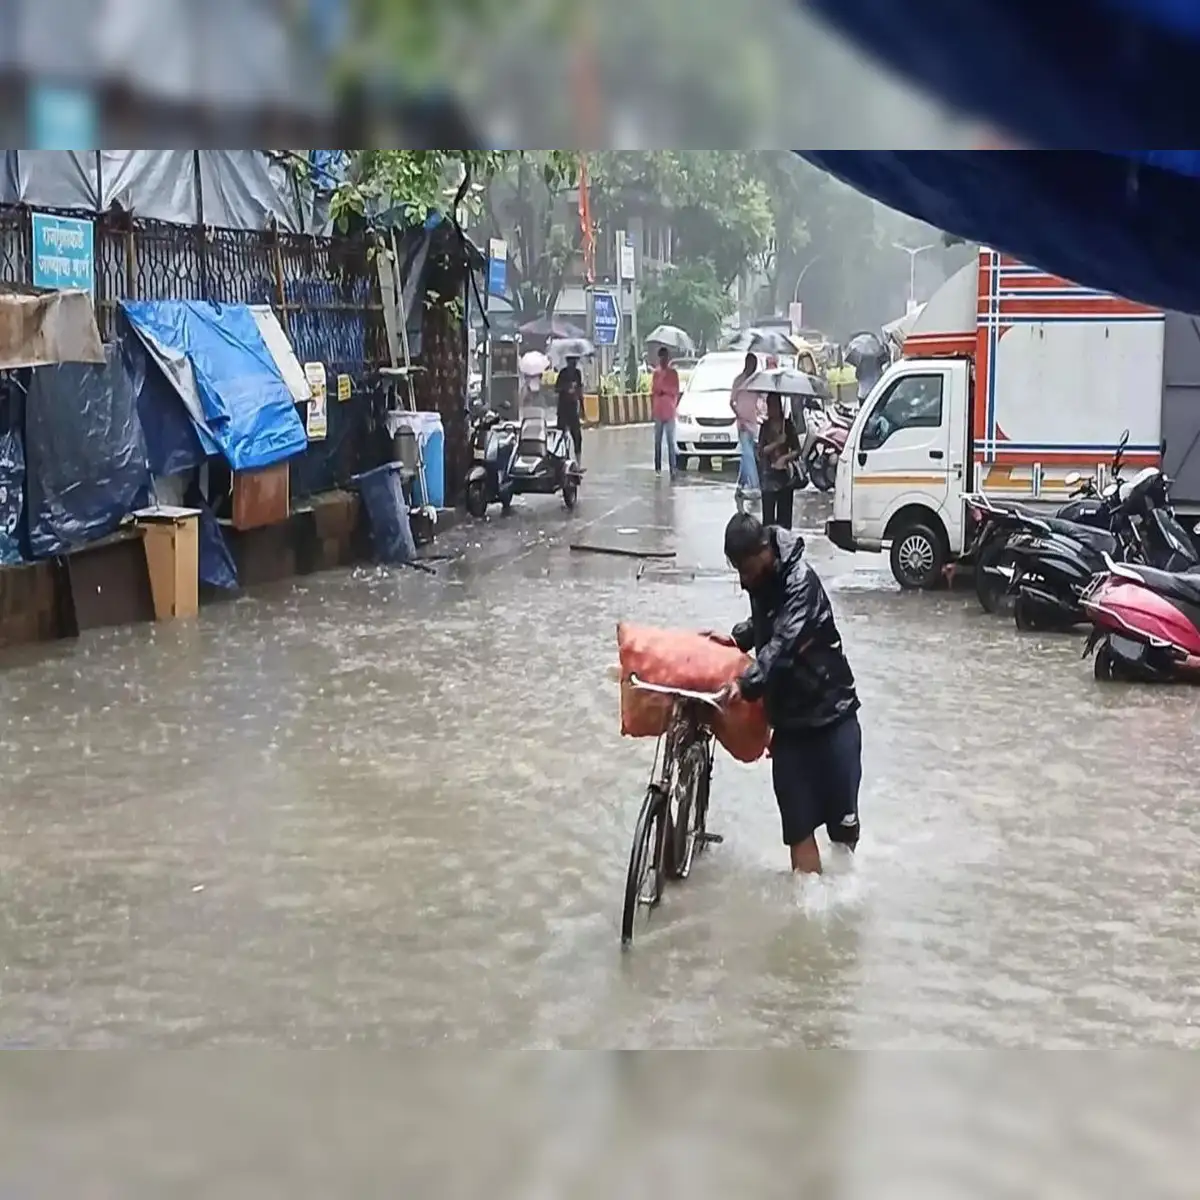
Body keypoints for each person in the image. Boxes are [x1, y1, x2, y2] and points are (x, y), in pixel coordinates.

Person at [717, 512, 862, 875]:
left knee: (843, 833)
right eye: (738, 571)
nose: (744, 580)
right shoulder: (760, 581)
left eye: (747, 570)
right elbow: (766, 625)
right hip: (789, 729)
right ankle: (808, 912)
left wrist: (745, 684)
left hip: (833, 718)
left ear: (765, 551)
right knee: (798, 829)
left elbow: (783, 641)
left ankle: (843, 902)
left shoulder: (801, 582)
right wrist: (736, 638)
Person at [757, 393, 801, 528]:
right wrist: (777, 443)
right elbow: (761, 451)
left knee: (785, 520)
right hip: (768, 476)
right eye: (770, 406)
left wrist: (784, 458)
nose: (772, 409)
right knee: (768, 520)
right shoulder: (765, 427)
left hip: (785, 477)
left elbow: (797, 449)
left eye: (775, 405)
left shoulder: (787, 425)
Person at [729, 352, 761, 499]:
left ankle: (740, 485)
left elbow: (762, 400)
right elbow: (732, 402)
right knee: (748, 454)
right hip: (742, 424)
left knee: (747, 455)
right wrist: (738, 415)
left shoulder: (756, 382)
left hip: (753, 423)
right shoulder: (739, 381)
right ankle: (754, 486)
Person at [651, 346, 681, 479]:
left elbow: (675, 390)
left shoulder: (673, 374)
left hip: (669, 411)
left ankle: (672, 468)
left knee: (670, 442)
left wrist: (665, 389)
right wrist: (662, 387)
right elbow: (655, 389)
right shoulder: (656, 373)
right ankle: (657, 468)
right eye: (662, 357)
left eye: (666, 357)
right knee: (657, 441)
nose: (664, 360)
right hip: (658, 411)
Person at [556, 354, 584, 463]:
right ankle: (563, 460)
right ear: (568, 362)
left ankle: (578, 463)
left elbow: (580, 391)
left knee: (577, 437)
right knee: (561, 437)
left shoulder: (578, 374)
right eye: (572, 362)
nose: (574, 364)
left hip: (573, 409)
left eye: (575, 361)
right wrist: (566, 387)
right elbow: (556, 388)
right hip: (563, 408)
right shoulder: (562, 373)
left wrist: (582, 407)